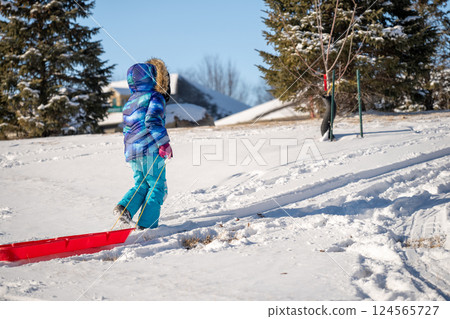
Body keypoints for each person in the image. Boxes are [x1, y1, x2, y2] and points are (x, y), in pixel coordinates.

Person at [113, 59, 173, 230]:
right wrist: (164, 144)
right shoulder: (155, 97)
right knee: (156, 186)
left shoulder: (130, 101)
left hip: (132, 152)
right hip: (150, 150)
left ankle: (125, 208)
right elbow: (153, 120)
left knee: (141, 184)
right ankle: (147, 225)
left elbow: (127, 129)